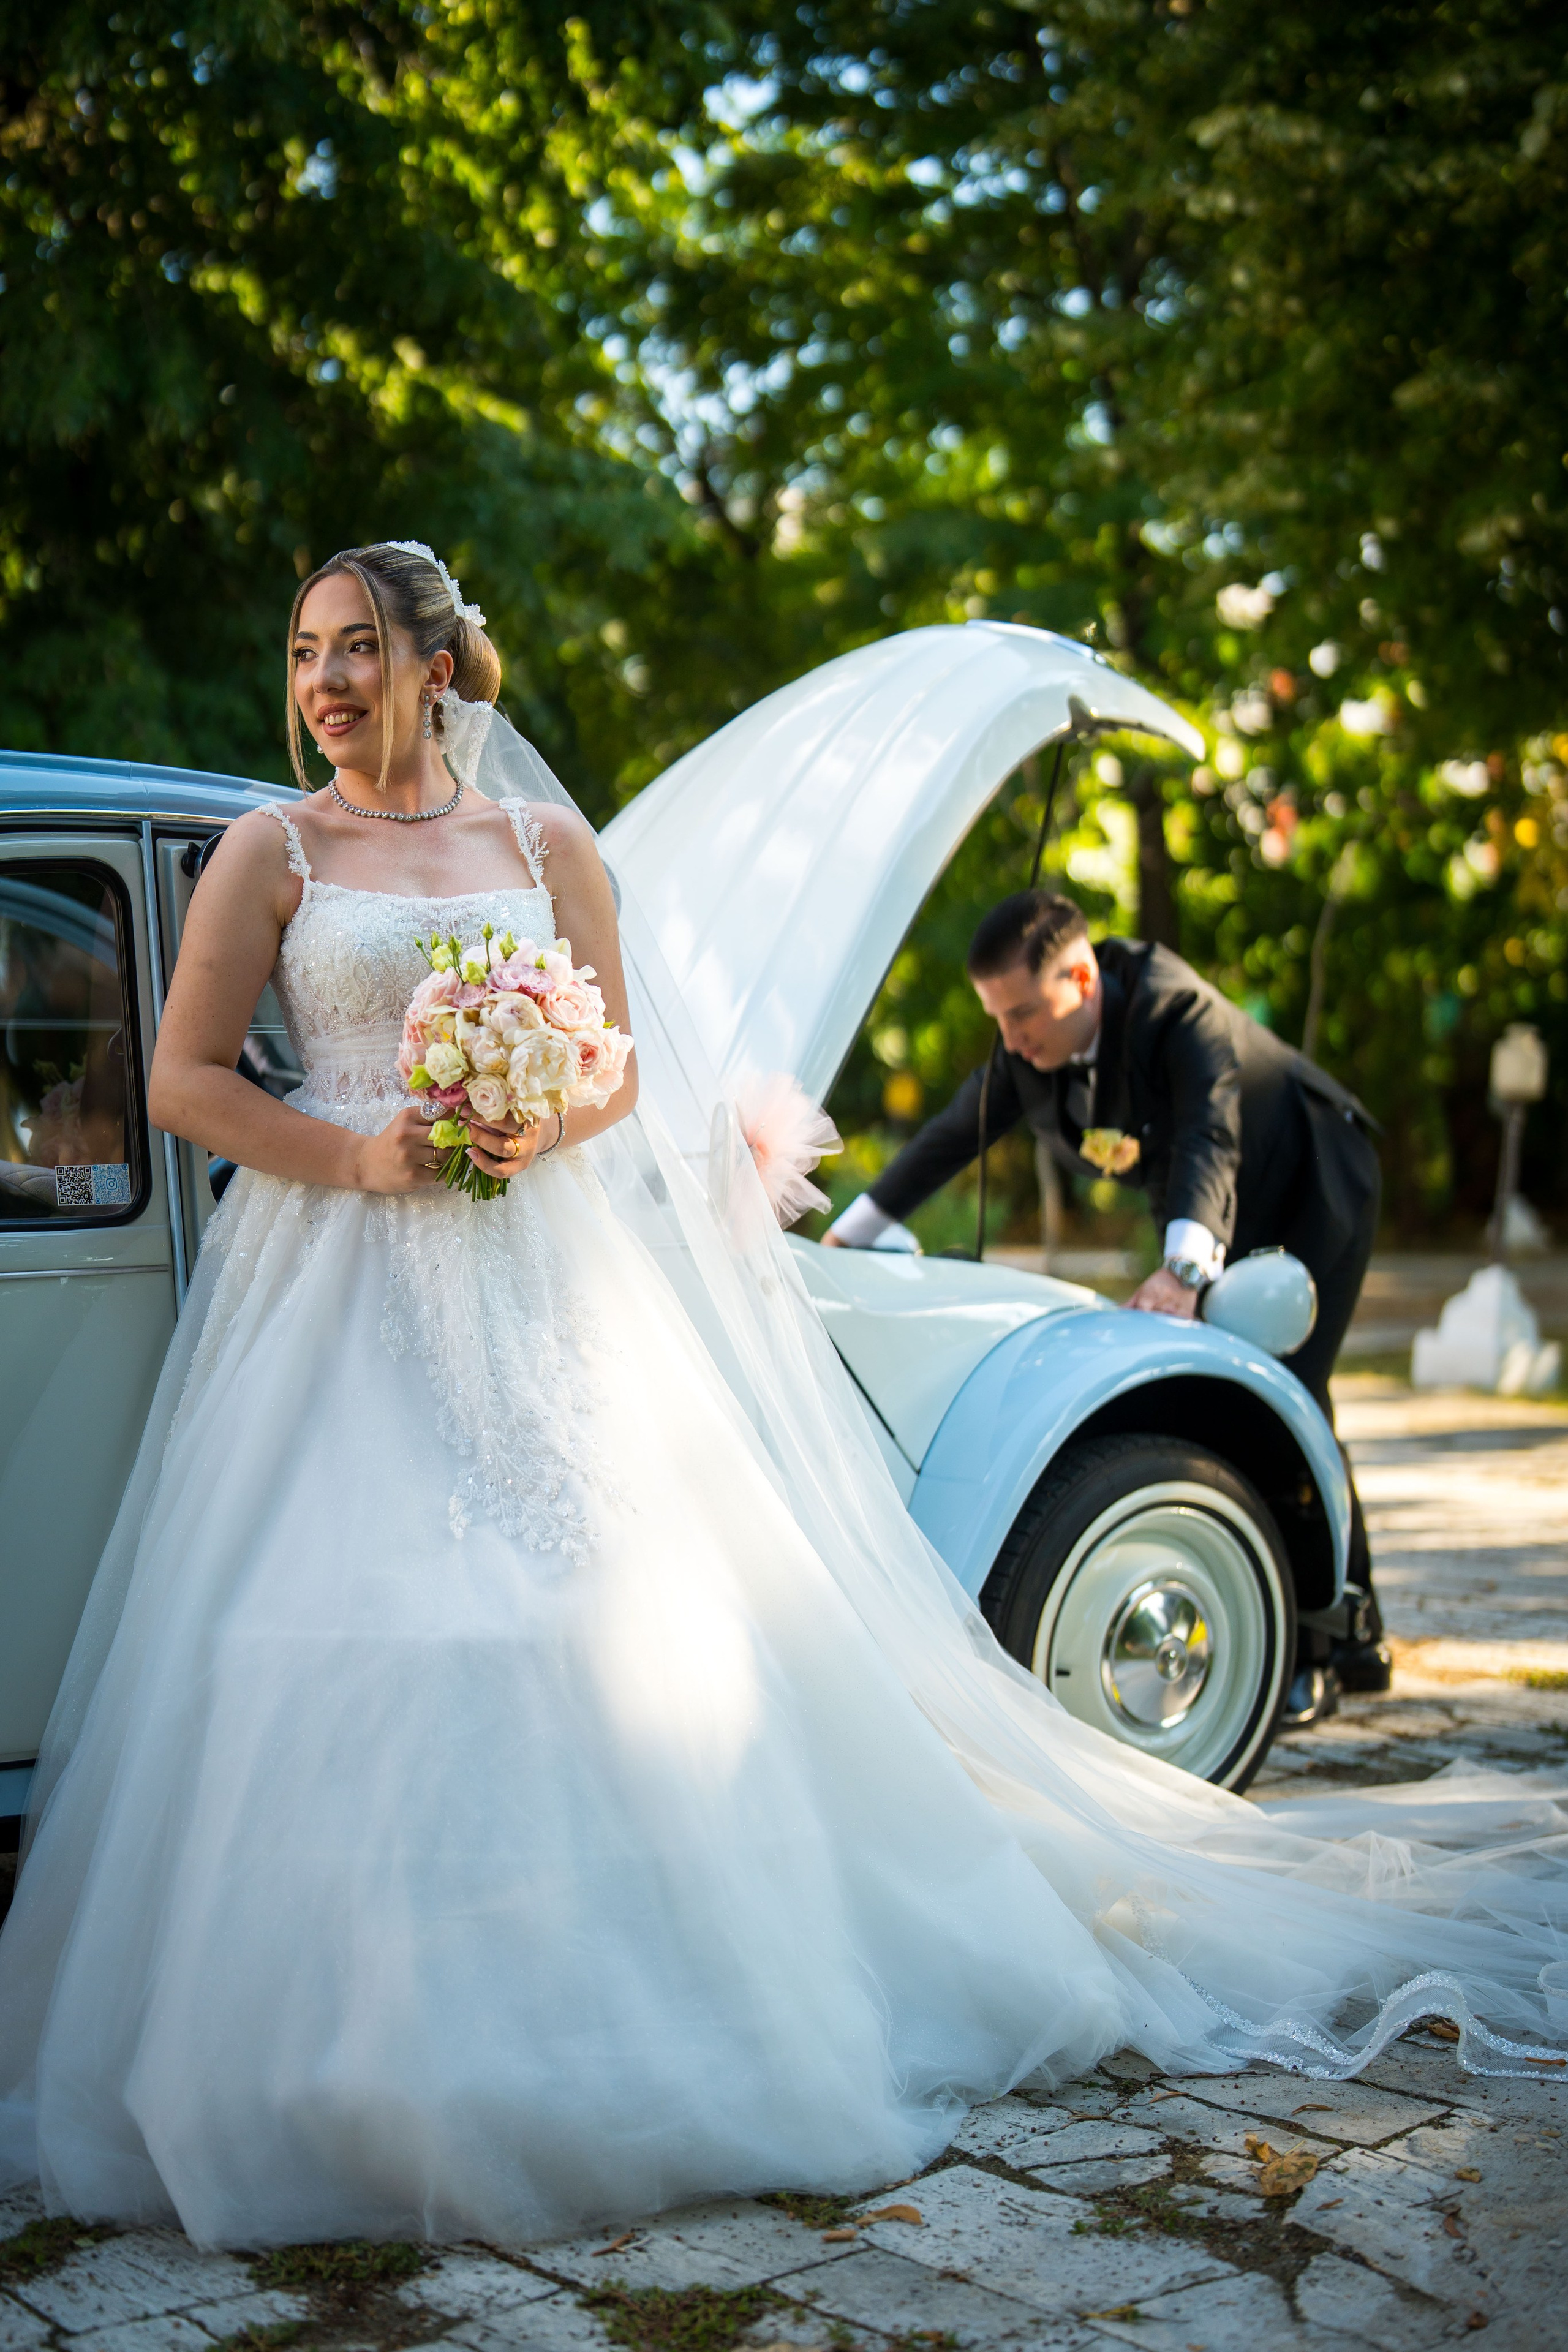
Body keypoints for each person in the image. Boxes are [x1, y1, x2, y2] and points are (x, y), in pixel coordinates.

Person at [1, 546, 1563, 2255]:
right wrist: (366, 1150)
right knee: (340, 1638)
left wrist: (534, 1109)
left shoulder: (548, 850)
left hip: (532, 1278)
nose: (324, 680)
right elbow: (181, 1080)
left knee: (606, 1629)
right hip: (332, 1283)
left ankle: (630, 2032)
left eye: (358, 646)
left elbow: (616, 1078)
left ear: (439, 665)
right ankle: (333, 2061)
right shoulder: (270, 851)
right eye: (304, 649)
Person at [826, 890, 1387, 1725]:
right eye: (998, 1018)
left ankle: (1333, 1648)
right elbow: (951, 1136)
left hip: (1313, 1183)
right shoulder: (1030, 1051)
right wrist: (848, 1236)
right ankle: (1322, 1634)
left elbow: (1209, 1135)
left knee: (1291, 1398)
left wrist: (1184, 1272)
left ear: (1081, 977)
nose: (1011, 1037)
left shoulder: (1175, 1005)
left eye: (1022, 1013)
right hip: (1219, 1207)